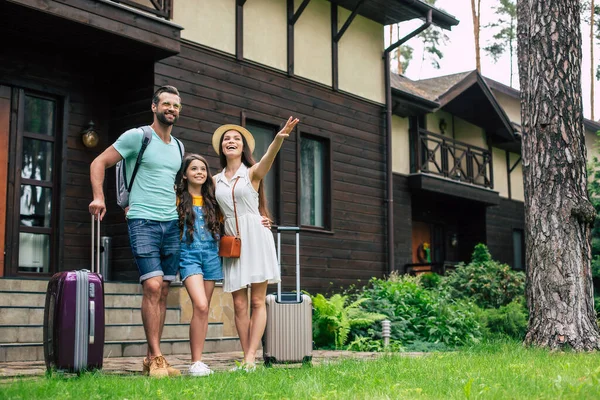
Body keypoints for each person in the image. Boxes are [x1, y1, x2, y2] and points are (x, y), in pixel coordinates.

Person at [88, 85, 183, 378]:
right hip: (142, 220)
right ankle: (157, 357)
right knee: (152, 286)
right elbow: (98, 162)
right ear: (154, 107)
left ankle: (150, 358)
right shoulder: (137, 136)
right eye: (166, 104)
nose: (171, 109)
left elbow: (171, 185)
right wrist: (99, 197)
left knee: (164, 289)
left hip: (172, 223)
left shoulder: (178, 147)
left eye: (176, 106)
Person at [212, 116, 300, 371]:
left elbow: (267, 160)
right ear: (221, 148)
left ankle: (251, 357)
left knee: (258, 301)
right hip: (233, 241)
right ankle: (247, 354)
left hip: (256, 237)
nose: (231, 141)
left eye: (236, 139)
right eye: (226, 139)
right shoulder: (215, 180)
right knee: (239, 303)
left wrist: (278, 139)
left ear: (243, 148)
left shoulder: (252, 173)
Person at [175, 154, 222, 377]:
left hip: (211, 256)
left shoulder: (213, 201)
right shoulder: (177, 200)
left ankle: (198, 362)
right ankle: (195, 363)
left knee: (202, 311)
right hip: (189, 256)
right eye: (194, 169)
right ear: (185, 174)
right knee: (201, 305)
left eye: (203, 169)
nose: (200, 172)